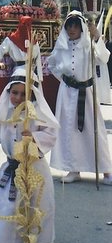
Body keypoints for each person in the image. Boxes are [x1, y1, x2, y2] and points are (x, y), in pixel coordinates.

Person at [0, 69, 59, 243]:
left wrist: (35, 137)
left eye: (24, 94)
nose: (19, 98)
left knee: (33, 207)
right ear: (8, 92)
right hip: (12, 168)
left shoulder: (38, 113)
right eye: (15, 93)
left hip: (34, 168)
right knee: (9, 207)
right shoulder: (4, 113)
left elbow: (52, 134)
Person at [47, 10, 112, 184]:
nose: (72, 29)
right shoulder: (61, 46)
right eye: (69, 26)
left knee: (95, 131)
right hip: (67, 94)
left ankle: (106, 171)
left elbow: (104, 58)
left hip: (87, 94)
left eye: (75, 25)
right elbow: (51, 64)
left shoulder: (88, 44)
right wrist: (64, 79)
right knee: (69, 131)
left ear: (81, 27)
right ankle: (73, 169)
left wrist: (97, 37)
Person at [0, 15, 43, 82]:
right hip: (27, 73)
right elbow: (38, 60)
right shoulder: (32, 41)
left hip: (24, 73)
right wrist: (40, 77)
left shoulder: (13, 40)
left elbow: (0, 51)